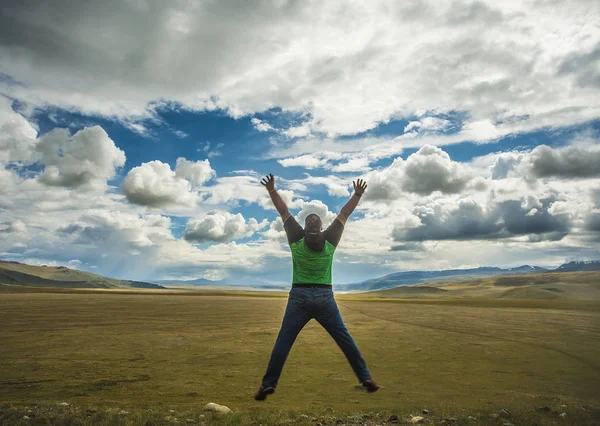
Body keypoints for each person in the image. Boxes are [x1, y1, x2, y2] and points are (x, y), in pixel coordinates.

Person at [254, 173, 379, 401]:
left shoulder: (295, 237)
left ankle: (267, 385)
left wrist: (272, 190)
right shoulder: (330, 238)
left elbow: (284, 212)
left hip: (299, 296)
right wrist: (357, 195)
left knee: (284, 340)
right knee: (345, 339)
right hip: (324, 296)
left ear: (304, 228)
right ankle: (366, 379)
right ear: (321, 228)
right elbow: (344, 214)